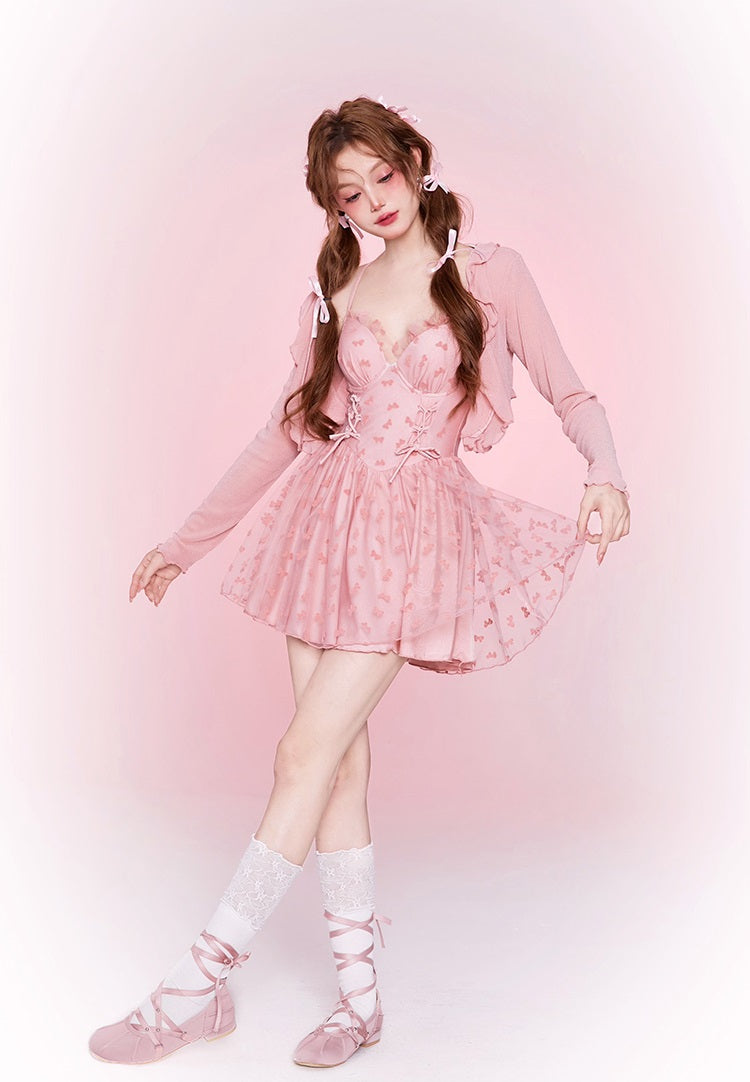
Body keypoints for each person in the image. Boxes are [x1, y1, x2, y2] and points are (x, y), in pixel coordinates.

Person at [88, 94, 630, 1069]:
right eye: (349, 192)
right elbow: (286, 431)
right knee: (335, 765)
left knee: (300, 751)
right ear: (332, 207)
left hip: (418, 536)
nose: (375, 199)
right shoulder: (338, 289)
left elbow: (572, 390)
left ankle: (196, 985)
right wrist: (185, 542)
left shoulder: (488, 272)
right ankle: (360, 1002)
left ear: (415, 161)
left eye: (384, 172)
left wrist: (606, 470)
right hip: (324, 527)